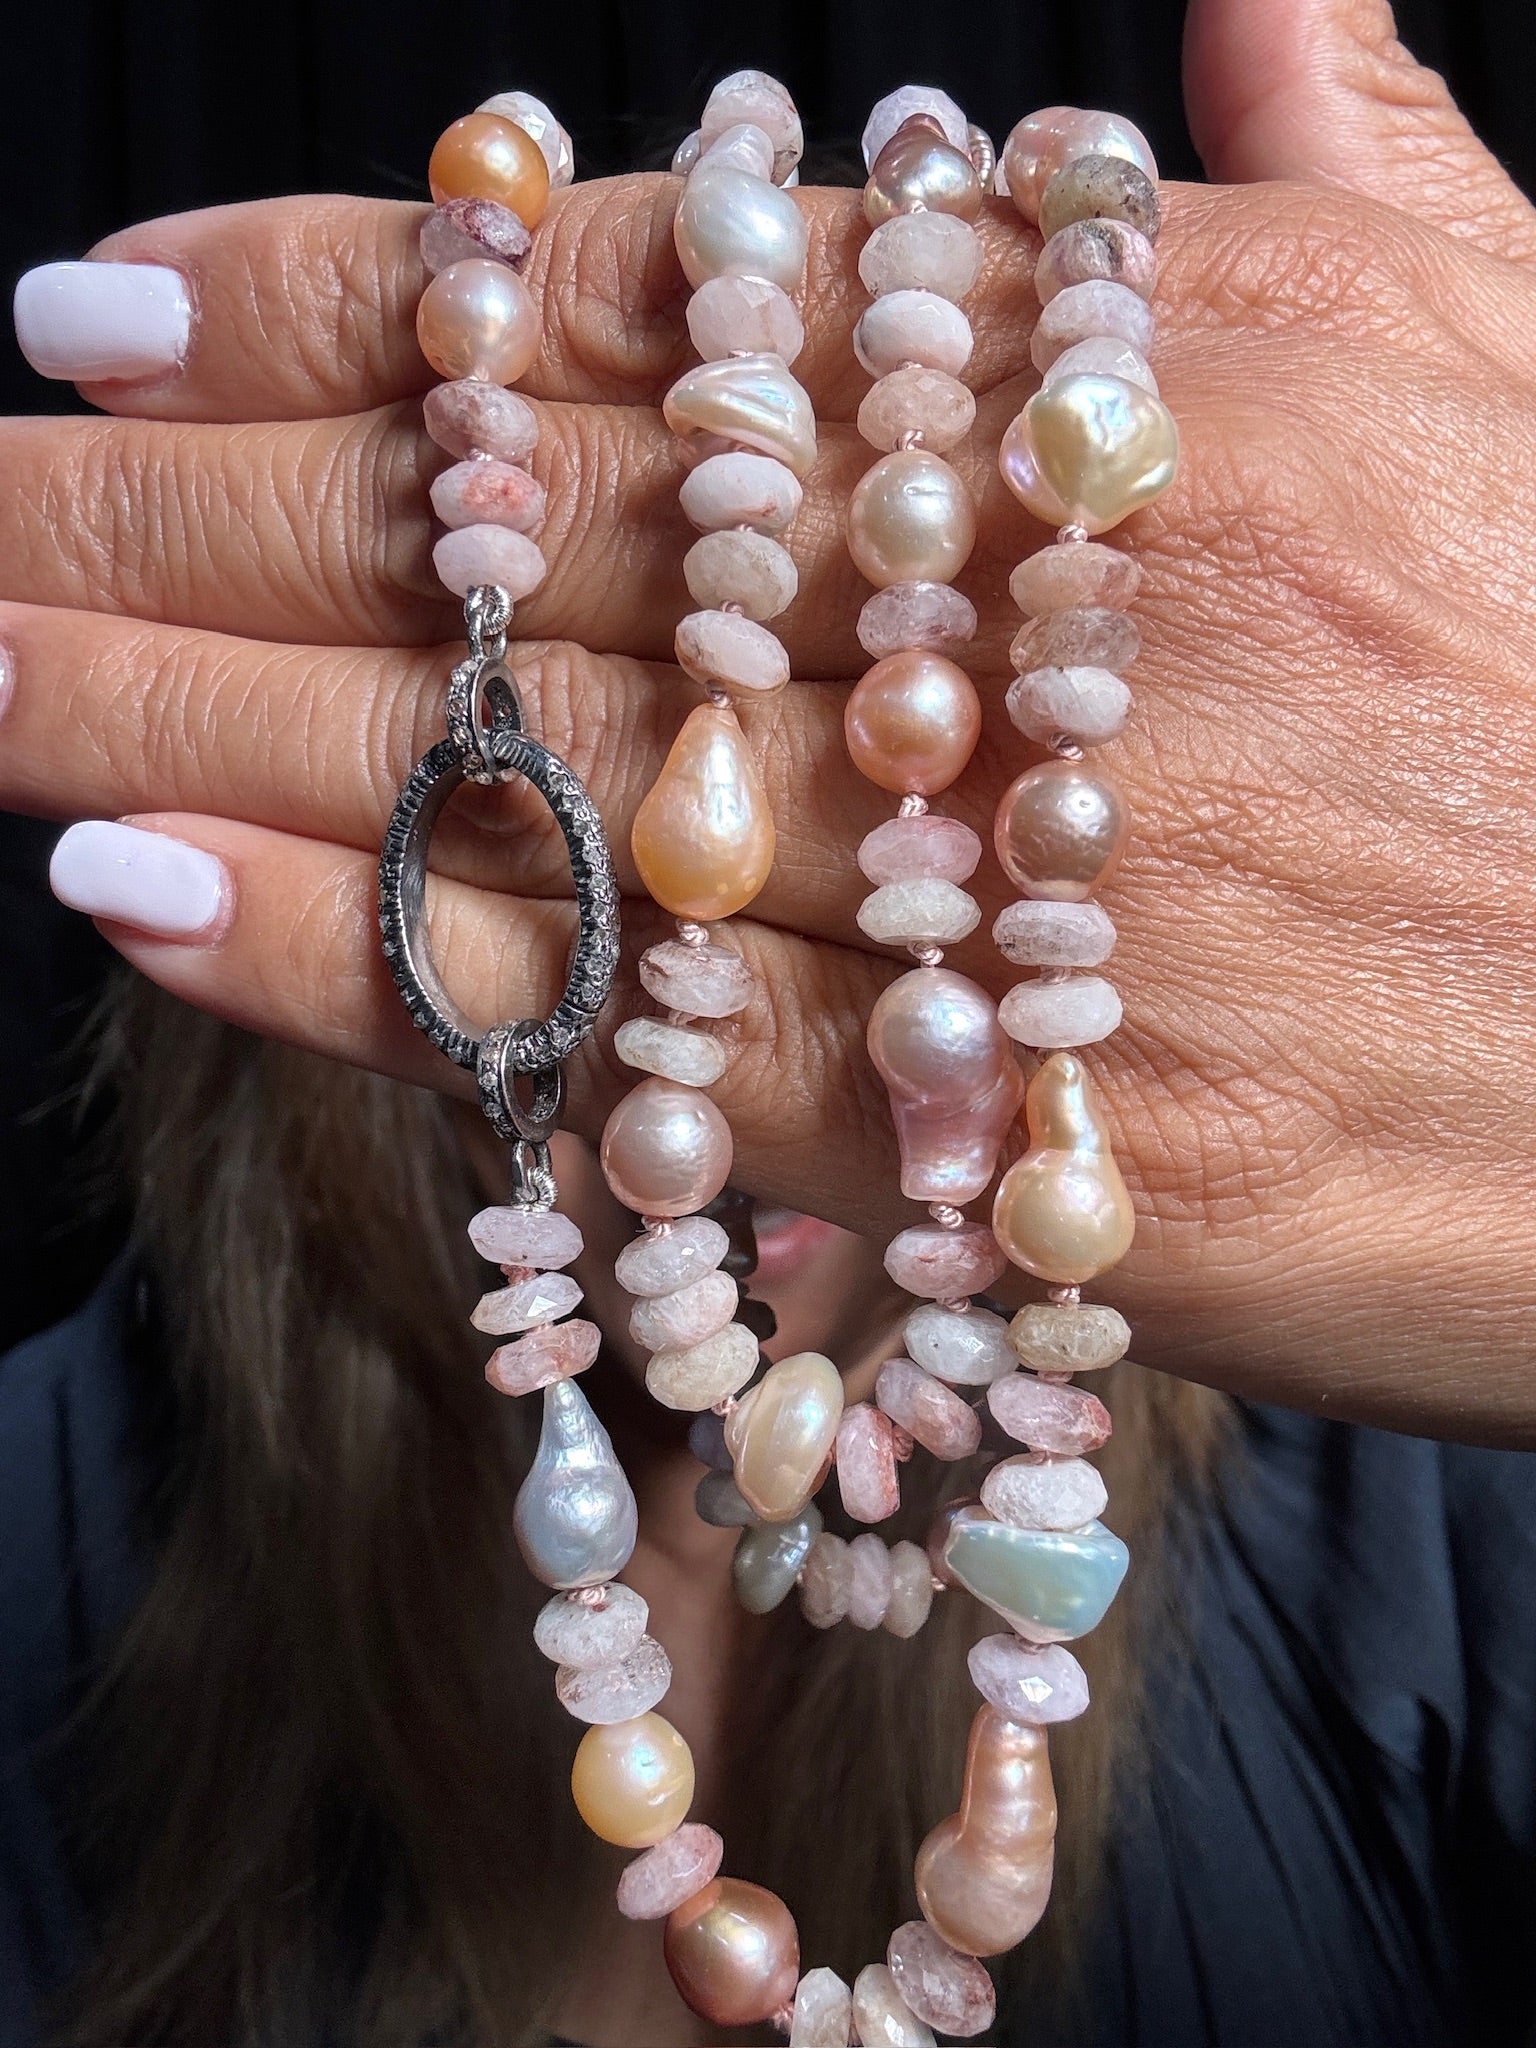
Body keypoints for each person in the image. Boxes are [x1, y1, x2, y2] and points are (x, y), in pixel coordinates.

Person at [4, 0, 1536, 2041]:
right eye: (590, 914)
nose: (715, 1092)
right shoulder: (56, 1536)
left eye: (868, 932)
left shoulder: (1401, 1524)